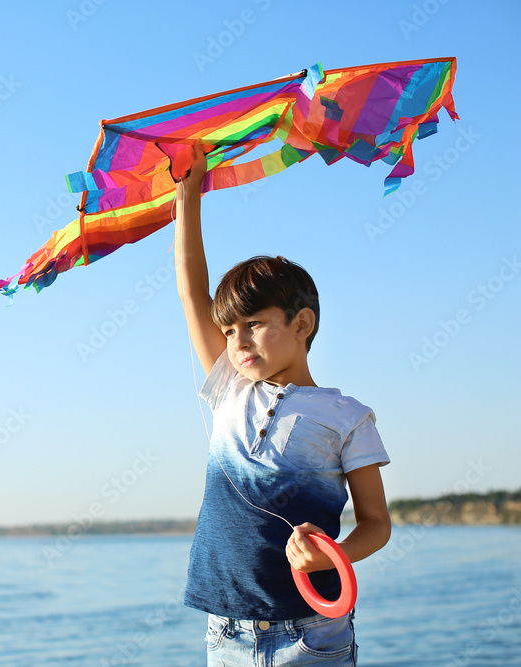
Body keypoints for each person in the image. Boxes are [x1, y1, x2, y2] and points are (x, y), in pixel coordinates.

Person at [173, 142, 392, 665]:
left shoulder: (348, 416)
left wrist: (331, 554)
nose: (237, 340)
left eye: (253, 323)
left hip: (313, 630)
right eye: (228, 329)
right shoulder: (229, 387)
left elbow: (377, 523)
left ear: (302, 324)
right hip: (225, 631)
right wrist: (188, 193)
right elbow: (189, 285)